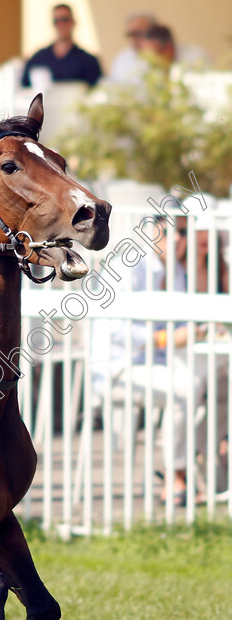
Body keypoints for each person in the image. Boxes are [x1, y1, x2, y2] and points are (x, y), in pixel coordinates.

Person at [91, 206, 228, 504]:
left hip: (161, 365)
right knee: (186, 388)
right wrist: (165, 338)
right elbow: (116, 330)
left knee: (223, 384)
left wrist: (202, 330)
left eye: (185, 233)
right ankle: (176, 475)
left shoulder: (175, 269)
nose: (183, 240)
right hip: (119, 368)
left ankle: (195, 460)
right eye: (177, 232)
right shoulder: (128, 266)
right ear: (154, 231)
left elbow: (181, 326)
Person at [21, 4, 102, 88]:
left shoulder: (88, 61)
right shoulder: (38, 59)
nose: (61, 25)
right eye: (56, 21)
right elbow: (24, 90)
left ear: (73, 22)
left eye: (65, 19)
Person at [108, 12, 156, 84]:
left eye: (138, 33)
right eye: (130, 34)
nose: (134, 38)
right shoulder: (121, 59)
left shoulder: (166, 54)